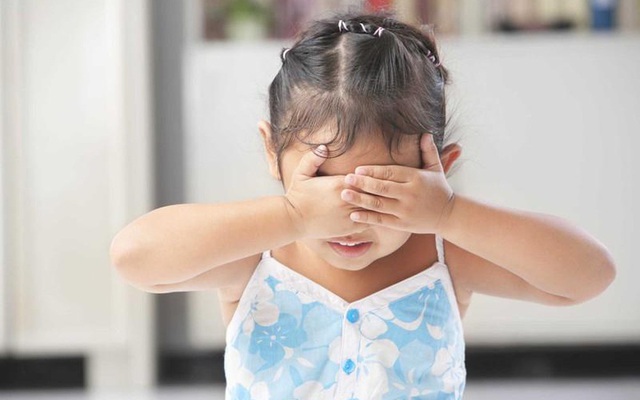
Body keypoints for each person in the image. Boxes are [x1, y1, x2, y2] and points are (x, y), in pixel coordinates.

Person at [110, 10, 616, 400]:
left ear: (439, 170)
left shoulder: (443, 256)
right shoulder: (256, 257)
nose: (347, 216)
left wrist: (450, 214)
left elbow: (588, 277)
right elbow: (134, 258)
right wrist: (292, 217)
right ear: (272, 152)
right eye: (323, 184)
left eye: (382, 192)